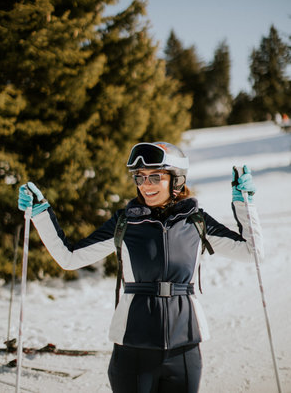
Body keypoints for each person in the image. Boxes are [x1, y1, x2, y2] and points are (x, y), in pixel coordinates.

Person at [18, 141, 264, 393]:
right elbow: (69, 259)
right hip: (133, 350)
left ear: (176, 180)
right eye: (140, 177)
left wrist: (244, 203)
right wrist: (40, 213)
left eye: (155, 176)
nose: (146, 185)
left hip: (185, 348)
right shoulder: (124, 223)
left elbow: (252, 253)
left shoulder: (196, 222)